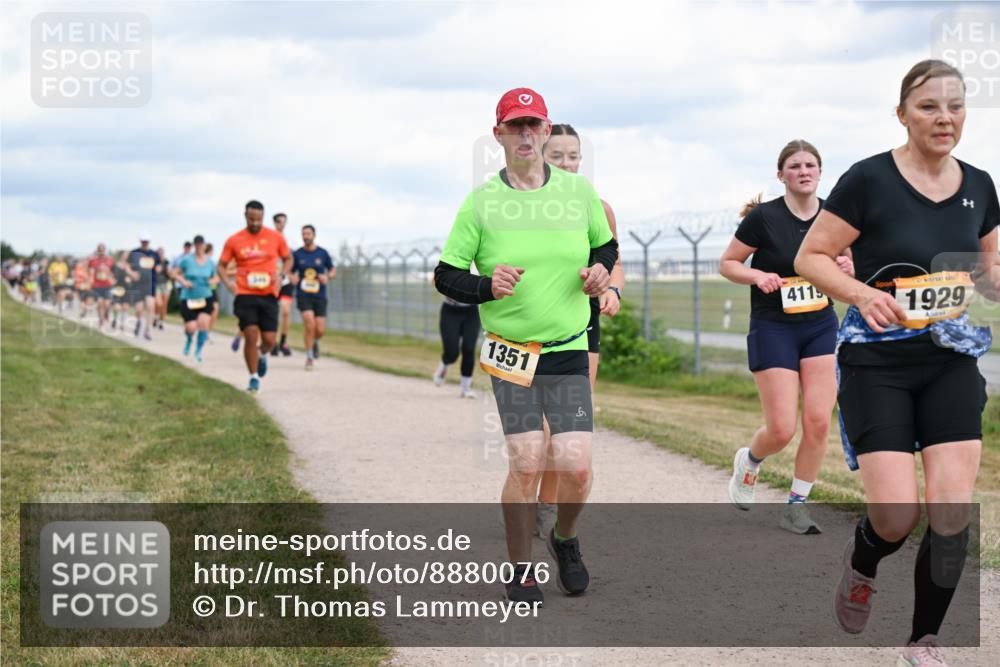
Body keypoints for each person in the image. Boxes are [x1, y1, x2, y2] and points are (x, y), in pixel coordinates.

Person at [795, 60, 998, 666]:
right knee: (895, 515)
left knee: (951, 509)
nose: (945, 118)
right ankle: (863, 562)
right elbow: (813, 256)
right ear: (903, 113)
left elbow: (989, 267)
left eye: (956, 106)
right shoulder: (870, 180)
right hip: (877, 364)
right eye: (930, 106)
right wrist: (862, 294)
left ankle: (923, 641)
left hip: (950, 358)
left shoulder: (980, 185)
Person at [435, 88, 617, 604]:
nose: (525, 134)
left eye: (533, 124)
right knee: (527, 462)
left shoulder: (579, 192)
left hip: (567, 346)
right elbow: (446, 275)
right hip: (512, 350)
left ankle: (564, 538)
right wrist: (486, 285)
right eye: (515, 126)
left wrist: (601, 269)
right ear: (498, 135)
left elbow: (605, 243)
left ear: (546, 129)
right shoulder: (480, 203)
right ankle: (520, 570)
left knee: (576, 464)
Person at [719, 140, 854, 535]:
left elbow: (850, 269)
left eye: (811, 164)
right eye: (795, 165)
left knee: (818, 422)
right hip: (773, 325)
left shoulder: (835, 217)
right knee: (782, 428)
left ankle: (797, 505)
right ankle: (750, 460)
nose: (804, 171)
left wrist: (847, 264)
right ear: (781, 174)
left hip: (819, 325)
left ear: (820, 171)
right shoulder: (764, 218)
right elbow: (728, 263)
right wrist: (757, 275)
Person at [534, 122, 625, 536]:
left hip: (582, 321)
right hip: (532, 323)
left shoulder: (597, 206)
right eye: (558, 157)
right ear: (539, 156)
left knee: (566, 422)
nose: (568, 164)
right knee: (537, 429)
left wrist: (613, 292)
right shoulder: (521, 207)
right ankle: (530, 491)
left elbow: (614, 261)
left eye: (574, 157)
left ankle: (548, 505)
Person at [218, 200, 292, 394]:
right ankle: (253, 377)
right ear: (245, 216)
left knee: (269, 340)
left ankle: (261, 354)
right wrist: (228, 284)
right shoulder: (234, 240)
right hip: (245, 294)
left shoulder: (275, 237)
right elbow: (221, 266)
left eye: (258, 219)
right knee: (250, 333)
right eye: (251, 219)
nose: (255, 223)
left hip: (268, 294)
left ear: (263, 217)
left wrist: (281, 276)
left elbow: (288, 259)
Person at [290, 224, 335, 371]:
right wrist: (292, 278)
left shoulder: (322, 253)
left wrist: (327, 276)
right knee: (309, 324)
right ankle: (309, 357)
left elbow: (332, 269)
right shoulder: (297, 254)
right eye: (303, 234)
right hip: (303, 294)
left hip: (319, 295)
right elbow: (290, 271)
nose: (305, 236)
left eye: (308, 234)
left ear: (314, 235)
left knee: (320, 329)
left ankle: (314, 341)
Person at [173, 235, 217, 362]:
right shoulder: (187, 260)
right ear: (194, 245)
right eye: (197, 244)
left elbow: (216, 277)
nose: (199, 247)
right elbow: (175, 272)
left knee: (204, 324)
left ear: (204, 245)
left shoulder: (210, 262)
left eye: (201, 244)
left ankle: (198, 351)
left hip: (206, 296)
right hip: (189, 297)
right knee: (191, 327)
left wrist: (211, 281)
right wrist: (184, 282)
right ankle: (189, 339)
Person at [431, 286, 480, 398]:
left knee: (469, 348)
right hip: (450, 310)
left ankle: (466, 388)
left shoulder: (476, 268)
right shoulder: (450, 267)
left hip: (471, 311)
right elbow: (436, 280)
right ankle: (444, 365)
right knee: (452, 353)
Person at [271, 212, 294, 357]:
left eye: (284, 222)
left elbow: (291, 259)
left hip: (285, 281)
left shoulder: (288, 241)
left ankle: (283, 342)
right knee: (272, 313)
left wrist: (291, 273)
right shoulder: (269, 239)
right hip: (272, 282)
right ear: (275, 223)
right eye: (279, 222)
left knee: (285, 311)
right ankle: (271, 342)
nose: (282, 224)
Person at [88, 243, 116, 328]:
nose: (101, 251)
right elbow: (91, 272)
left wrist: (111, 277)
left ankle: (106, 313)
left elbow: (113, 272)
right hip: (97, 285)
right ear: (97, 251)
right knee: (100, 303)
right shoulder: (93, 261)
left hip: (107, 285)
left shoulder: (110, 260)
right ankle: (101, 319)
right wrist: (90, 281)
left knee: (107, 304)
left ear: (105, 250)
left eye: (102, 250)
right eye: (99, 250)